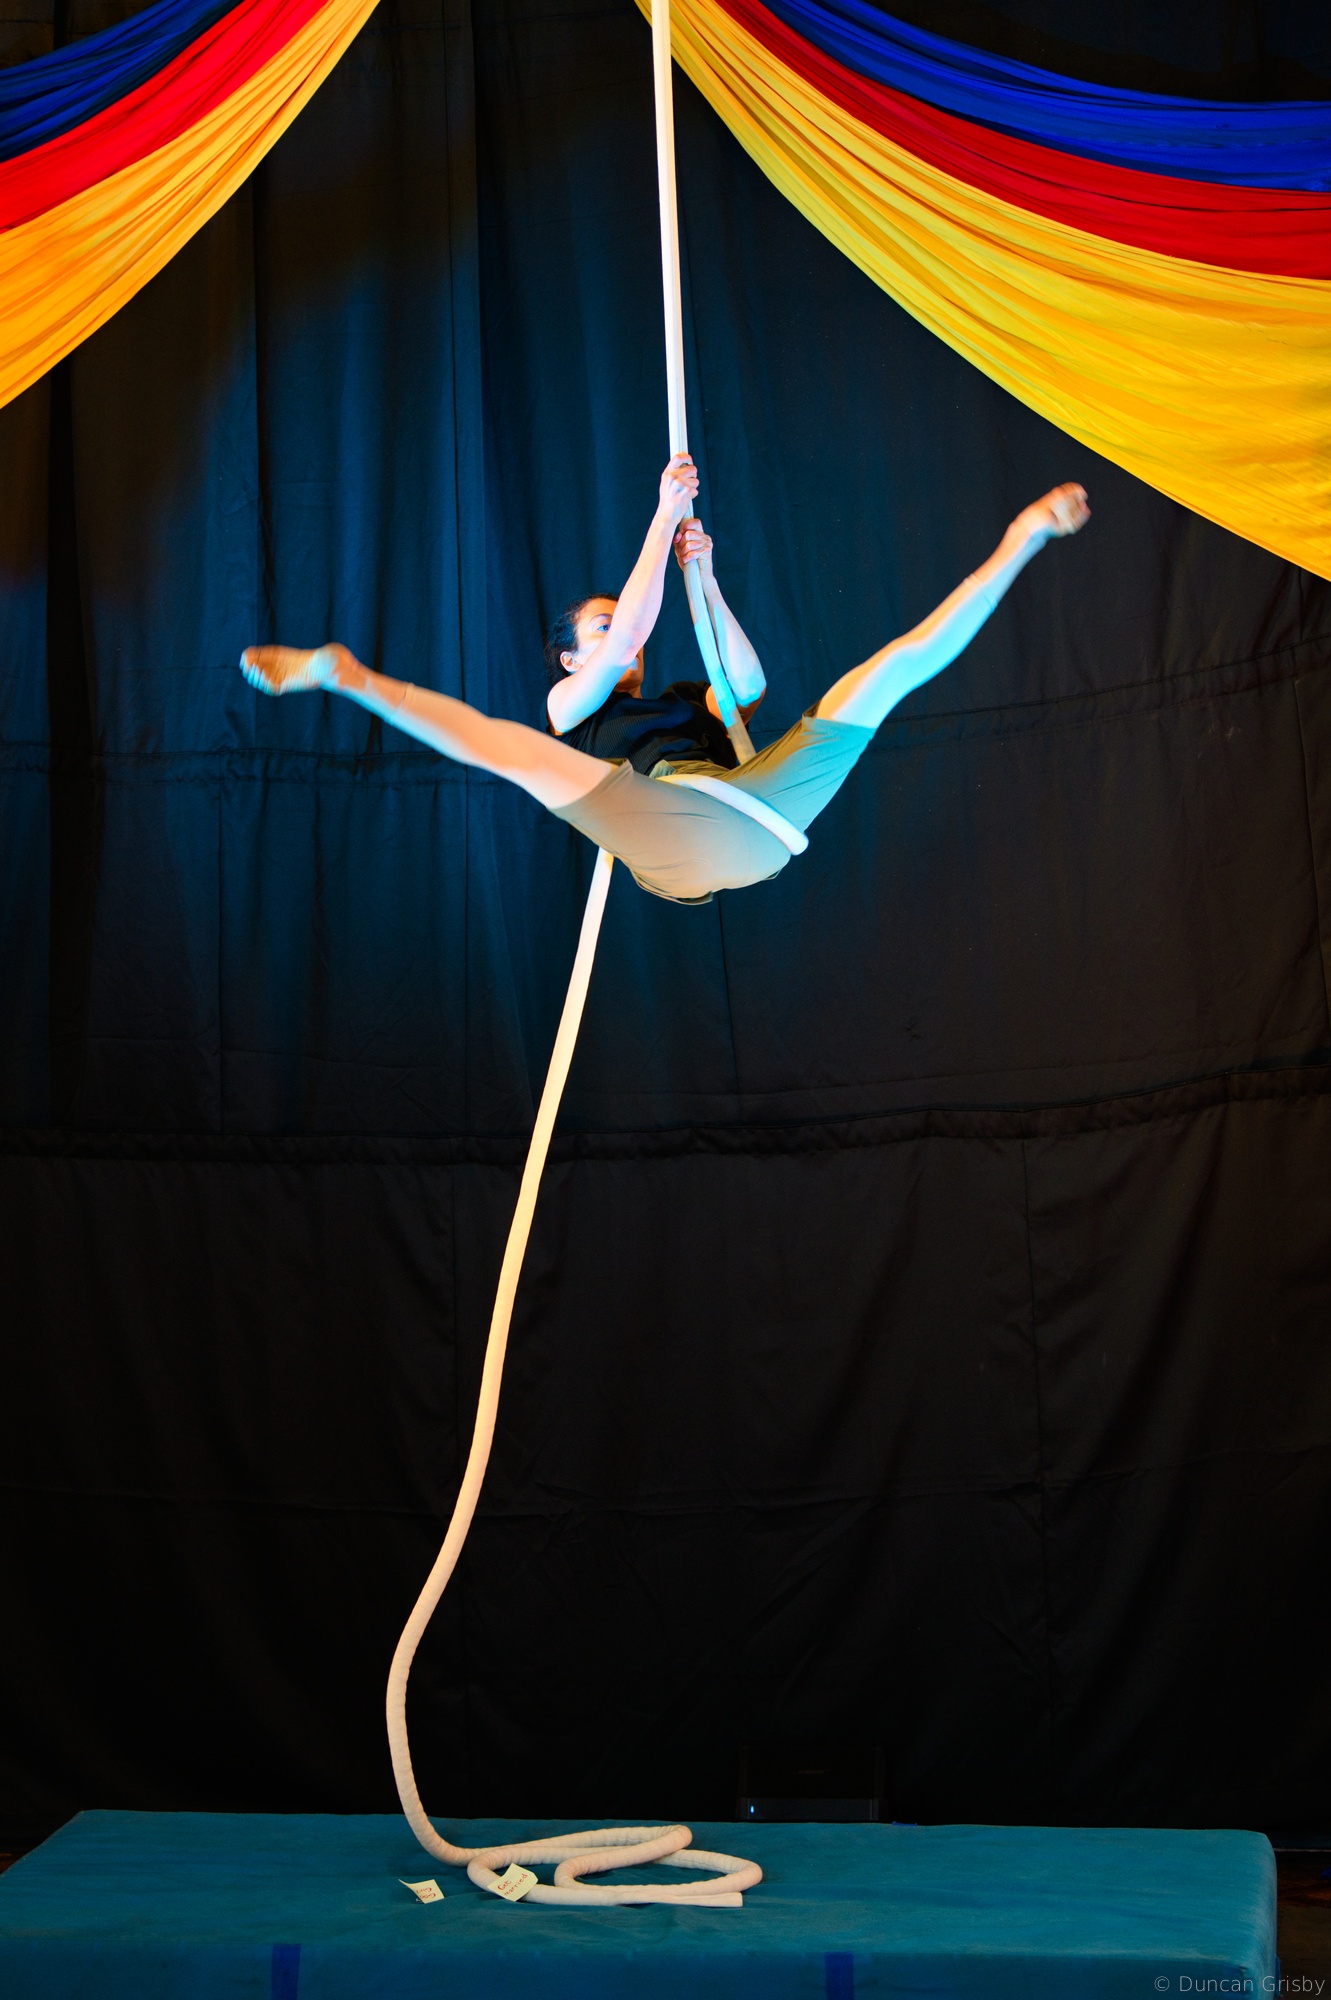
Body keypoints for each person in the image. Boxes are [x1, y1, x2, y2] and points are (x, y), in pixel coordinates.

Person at [241, 455, 1089, 904]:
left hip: (754, 814)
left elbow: (744, 679)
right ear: (569, 657)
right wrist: (663, 514)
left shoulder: (683, 702)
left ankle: (1020, 539)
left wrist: (704, 577)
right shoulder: (570, 706)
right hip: (655, 823)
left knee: (885, 672)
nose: (624, 639)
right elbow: (628, 641)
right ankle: (349, 675)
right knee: (510, 751)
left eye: (619, 623)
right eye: (597, 627)